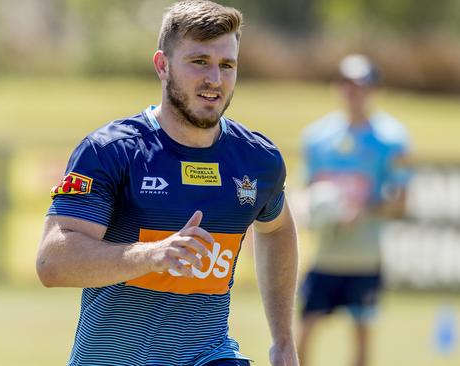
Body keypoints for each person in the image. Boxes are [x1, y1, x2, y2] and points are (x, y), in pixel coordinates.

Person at [37, 1, 299, 365]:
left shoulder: (257, 160)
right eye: (199, 62)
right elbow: (52, 262)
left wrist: (283, 340)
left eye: (227, 65)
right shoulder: (111, 151)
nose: (215, 79)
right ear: (163, 66)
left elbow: (277, 228)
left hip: (209, 356)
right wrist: (152, 254)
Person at [297, 54, 413, 366]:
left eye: (362, 86)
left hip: (365, 256)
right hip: (325, 255)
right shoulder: (316, 138)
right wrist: (313, 212)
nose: (354, 92)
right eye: (347, 85)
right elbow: (305, 192)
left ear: (374, 90)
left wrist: (363, 211)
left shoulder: (392, 140)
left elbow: (401, 201)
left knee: (362, 331)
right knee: (304, 329)